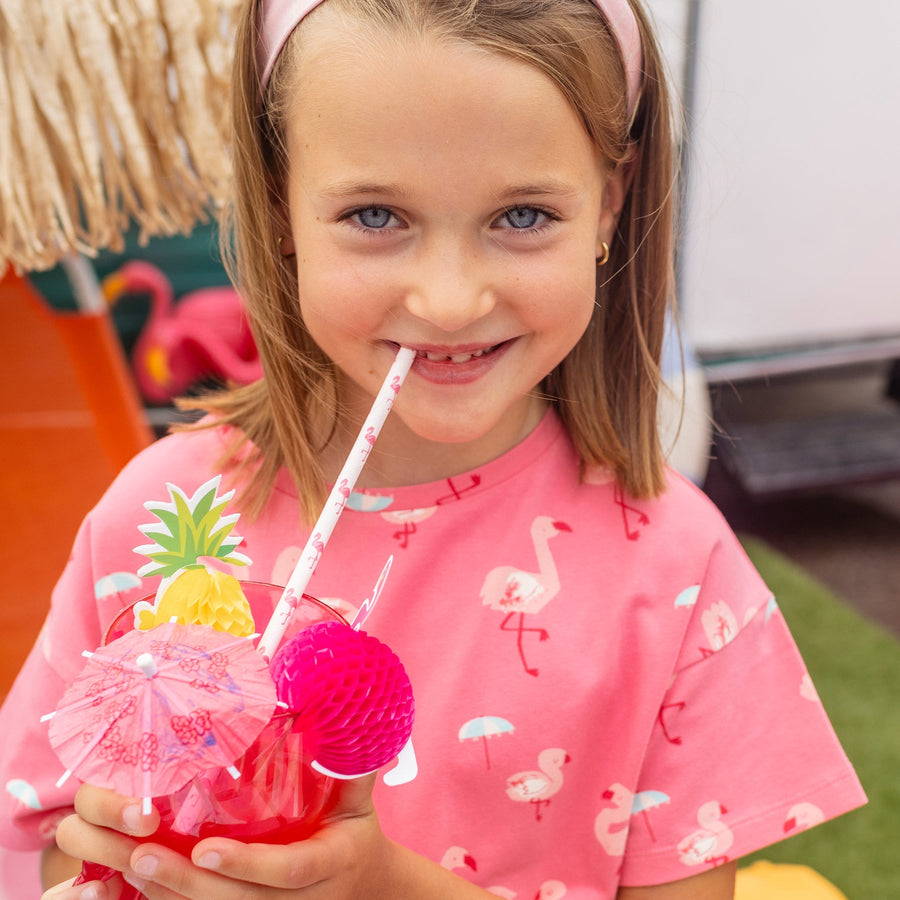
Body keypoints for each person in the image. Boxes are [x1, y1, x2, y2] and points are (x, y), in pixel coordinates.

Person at [0, 0, 866, 897]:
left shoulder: (679, 574)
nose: (450, 301)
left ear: (610, 202)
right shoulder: (160, 524)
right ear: (277, 202)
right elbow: (55, 843)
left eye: (522, 215)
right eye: (377, 215)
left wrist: (382, 887)